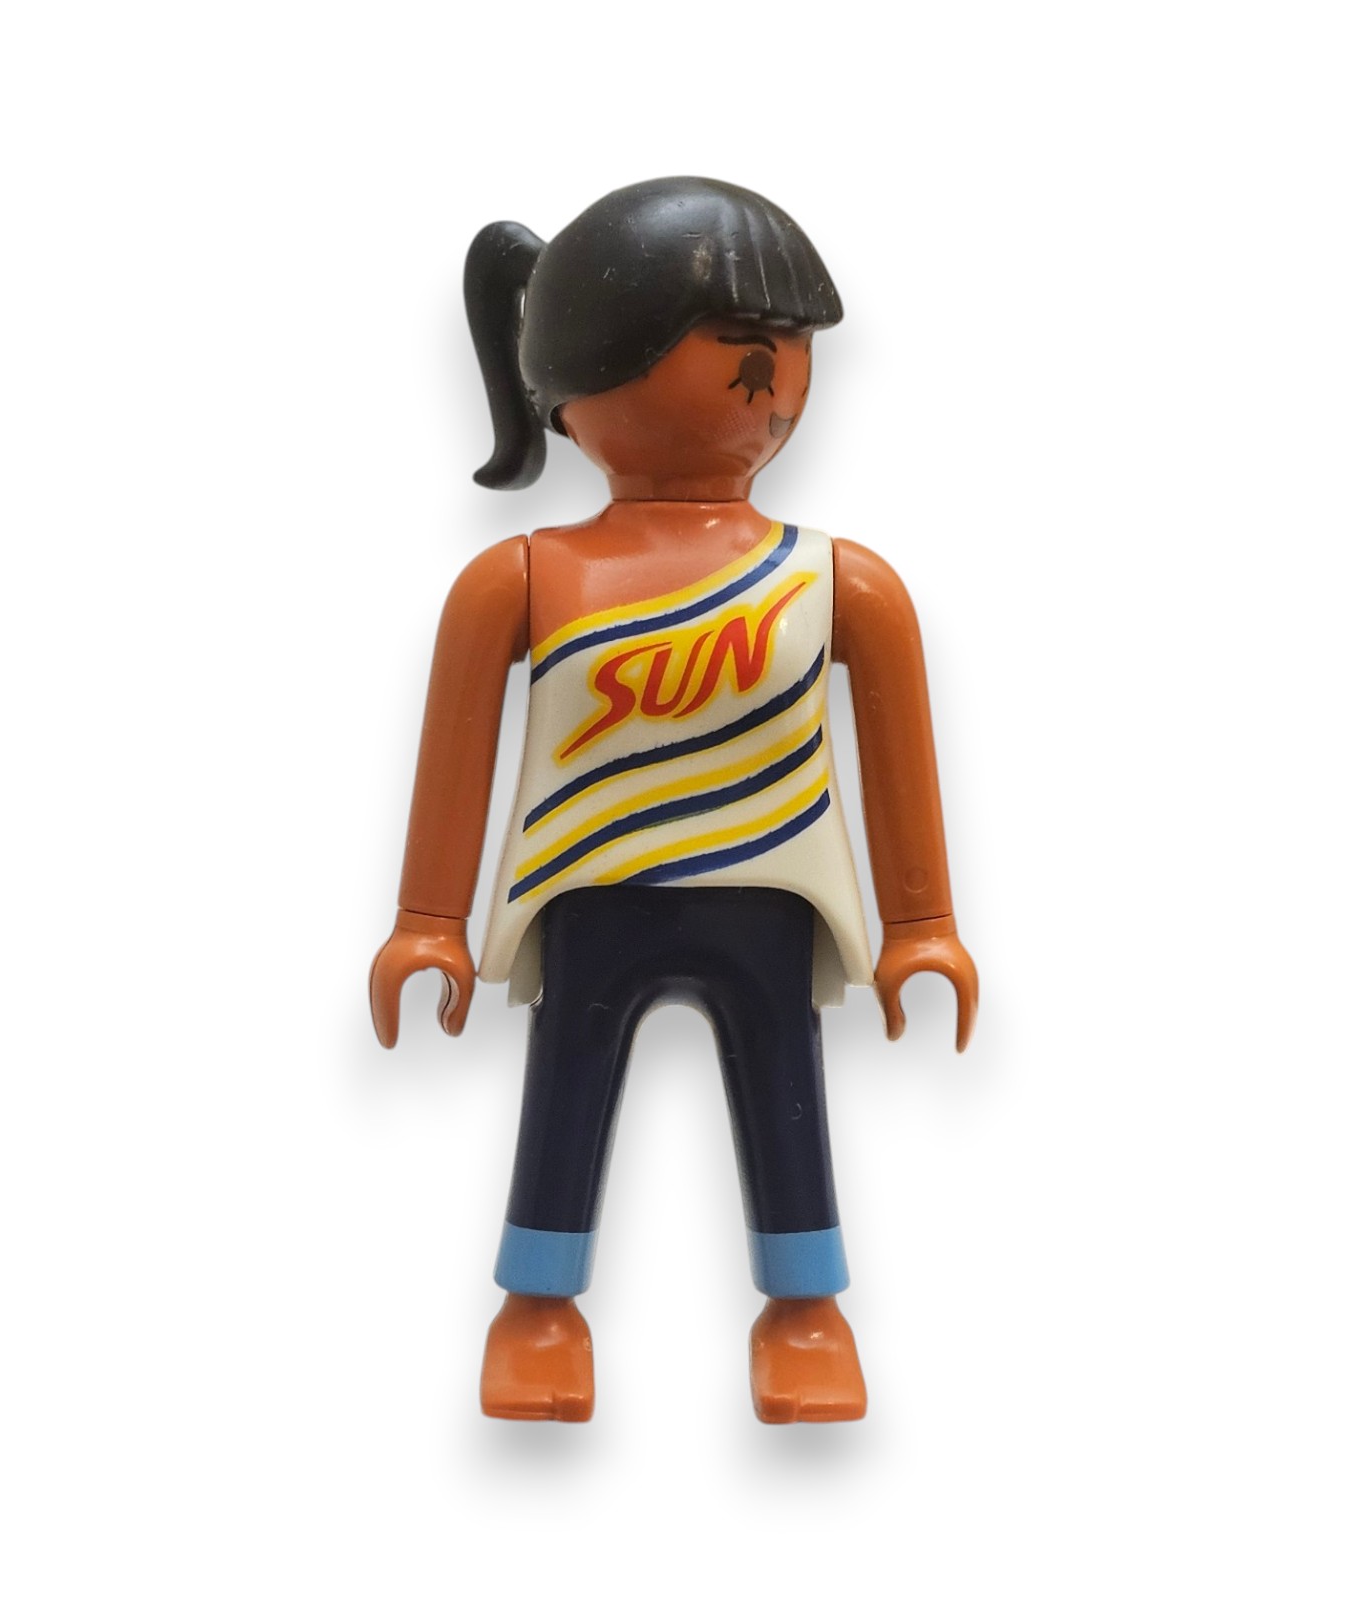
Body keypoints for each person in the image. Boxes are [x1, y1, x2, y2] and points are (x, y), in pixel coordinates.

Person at [369, 176, 978, 1423]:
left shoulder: (840, 581)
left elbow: (898, 751)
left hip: (772, 895)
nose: (770, 377)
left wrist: (922, 924)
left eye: (786, 348)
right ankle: (539, 1307)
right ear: (583, 373)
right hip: (590, 892)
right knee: (564, 1093)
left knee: (786, 1097)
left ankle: (805, 1310)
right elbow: (455, 754)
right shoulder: (520, 578)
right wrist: (427, 920)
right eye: (741, 345)